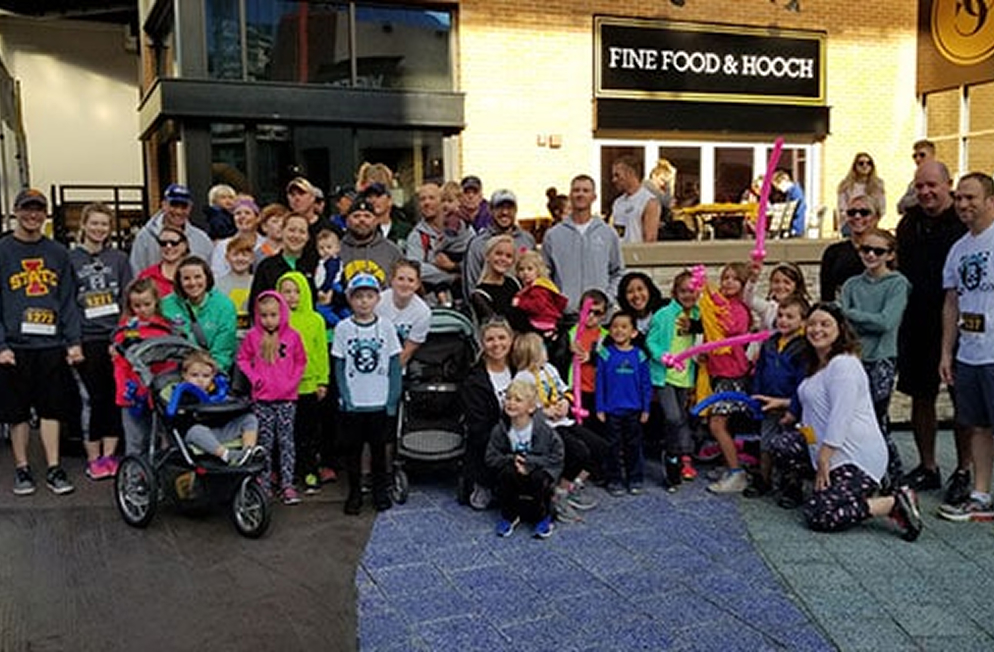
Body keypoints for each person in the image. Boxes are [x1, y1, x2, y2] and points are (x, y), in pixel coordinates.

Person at [757, 303, 922, 541]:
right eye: (812, 324)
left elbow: (840, 416)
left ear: (840, 329)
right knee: (781, 444)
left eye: (825, 324)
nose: (817, 330)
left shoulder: (844, 364)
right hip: (825, 451)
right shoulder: (816, 364)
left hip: (855, 458)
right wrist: (785, 406)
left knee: (820, 514)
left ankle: (892, 503)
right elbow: (813, 407)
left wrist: (823, 457)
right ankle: (831, 489)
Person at [896, 161, 971, 502]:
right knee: (920, 396)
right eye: (920, 186)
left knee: (962, 400)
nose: (925, 192)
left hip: (959, 322)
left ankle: (964, 471)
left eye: (932, 185)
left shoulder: (964, 222)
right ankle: (928, 467)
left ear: (948, 184)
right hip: (917, 321)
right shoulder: (909, 224)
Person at [0, 188, 82, 496]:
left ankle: (54, 467)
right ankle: (22, 468)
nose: (32, 215)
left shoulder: (58, 252)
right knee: (17, 412)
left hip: (50, 344)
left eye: (38, 209)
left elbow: (68, 299)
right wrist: (1, 345)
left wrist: (73, 340)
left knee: (52, 409)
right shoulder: (3, 250)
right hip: (15, 346)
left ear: (45, 214)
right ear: (16, 211)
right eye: (27, 209)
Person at [937, 173, 994, 522]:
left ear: (990, 201)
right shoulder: (959, 249)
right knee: (979, 426)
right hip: (970, 353)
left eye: (971, 197)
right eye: (959, 198)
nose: (962, 204)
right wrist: (947, 352)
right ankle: (981, 494)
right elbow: (951, 303)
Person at [840, 227, 910, 489]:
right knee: (851, 419)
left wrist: (851, 313)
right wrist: (852, 317)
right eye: (865, 249)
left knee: (876, 421)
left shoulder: (897, 284)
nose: (870, 255)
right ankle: (860, 473)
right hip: (852, 358)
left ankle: (894, 479)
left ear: (890, 255)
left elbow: (886, 322)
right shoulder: (851, 284)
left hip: (881, 359)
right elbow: (842, 326)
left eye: (878, 251)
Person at [69, 202, 133, 480]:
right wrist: (73, 342)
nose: (99, 228)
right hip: (86, 337)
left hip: (113, 338)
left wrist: (119, 337)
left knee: (113, 396)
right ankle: (93, 458)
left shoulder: (119, 259)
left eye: (104, 224)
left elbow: (127, 301)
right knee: (91, 399)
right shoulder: (70, 259)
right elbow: (67, 303)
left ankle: (110, 455)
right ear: (84, 225)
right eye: (94, 223)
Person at [511, 333, 603, 521]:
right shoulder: (523, 378)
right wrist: (544, 412)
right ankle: (559, 494)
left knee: (599, 447)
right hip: (545, 427)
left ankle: (574, 485)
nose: (546, 351)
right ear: (532, 353)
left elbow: (565, 390)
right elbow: (520, 409)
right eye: (542, 348)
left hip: (563, 420)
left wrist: (565, 403)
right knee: (578, 452)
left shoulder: (549, 369)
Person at [332, 273, 403, 515]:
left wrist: (392, 400)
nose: (364, 301)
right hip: (354, 404)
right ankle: (354, 493)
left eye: (369, 296)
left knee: (379, 452)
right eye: (358, 296)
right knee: (353, 453)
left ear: (377, 299)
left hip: (379, 403)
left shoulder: (386, 327)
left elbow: (394, 365)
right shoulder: (343, 328)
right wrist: (346, 398)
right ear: (350, 299)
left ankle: (380, 492)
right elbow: (340, 366)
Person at [237, 291, 307, 502]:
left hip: (287, 399)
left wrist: (291, 383)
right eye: (264, 315)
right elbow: (242, 359)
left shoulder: (292, 336)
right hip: (262, 399)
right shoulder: (253, 336)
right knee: (264, 442)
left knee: (286, 442)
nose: (269, 320)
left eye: (273, 315)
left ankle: (287, 484)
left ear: (282, 313)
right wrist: (255, 378)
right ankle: (263, 482)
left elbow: (301, 361)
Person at [745, 295, 809, 500]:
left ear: (803, 321)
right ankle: (764, 479)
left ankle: (792, 486)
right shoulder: (769, 343)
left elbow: (803, 384)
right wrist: (755, 396)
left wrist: (794, 409)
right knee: (765, 443)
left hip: (791, 407)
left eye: (790, 317)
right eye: (780, 315)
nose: (783, 320)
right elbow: (760, 371)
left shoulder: (804, 348)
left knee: (791, 448)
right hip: (767, 404)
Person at [485, 379, 564, 539]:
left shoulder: (544, 430)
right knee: (506, 474)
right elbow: (491, 456)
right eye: (508, 398)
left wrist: (530, 464)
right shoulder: (501, 429)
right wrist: (512, 460)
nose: (511, 403)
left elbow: (557, 456)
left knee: (538, 478)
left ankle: (543, 516)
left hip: (539, 469)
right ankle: (509, 515)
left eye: (518, 400)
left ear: (531, 407)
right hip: (514, 467)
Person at [646, 271, 702, 490]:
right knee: (673, 417)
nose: (688, 295)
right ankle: (671, 455)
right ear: (675, 292)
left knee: (683, 417)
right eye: (683, 291)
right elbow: (651, 341)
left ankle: (683, 456)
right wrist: (663, 357)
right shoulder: (663, 315)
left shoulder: (698, 315)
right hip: (665, 376)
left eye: (692, 291)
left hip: (686, 376)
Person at [277, 271, 330, 499]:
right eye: (286, 291)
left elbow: (321, 352)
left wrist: (322, 380)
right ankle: (286, 474)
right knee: (285, 434)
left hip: (308, 386)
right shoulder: (275, 320)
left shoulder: (315, 319)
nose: (291, 296)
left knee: (308, 432)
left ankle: (309, 470)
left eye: (297, 291)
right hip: (282, 387)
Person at [703, 263, 753, 494]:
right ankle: (728, 465)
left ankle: (736, 472)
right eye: (725, 278)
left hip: (732, 374)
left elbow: (729, 326)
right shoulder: (720, 306)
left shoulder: (739, 309)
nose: (728, 282)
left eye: (735, 278)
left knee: (717, 424)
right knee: (724, 425)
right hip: (718, 372)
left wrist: (710, 297)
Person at [542, 175, 625, 313]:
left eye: (586, 191)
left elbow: (618, 272)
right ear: (570, 195)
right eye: (576, 190)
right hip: (566, 315)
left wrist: (607, 298)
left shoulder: (608, 233)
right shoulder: (553, 235)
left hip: (599, 315)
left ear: (594, 197)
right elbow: (545, 274)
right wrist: (556, 301)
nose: (580, 194)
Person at [112, 278, 173, 457]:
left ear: (156, 302)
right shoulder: (124, 330)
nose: (142, 310)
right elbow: (119, 362)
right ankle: (133, 472)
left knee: (164, 439)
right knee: (136, 440)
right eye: (137, 306)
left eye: (147, 304)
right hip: (132, 392)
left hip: (159, 392)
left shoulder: (164, 327)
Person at [596, 311, 652, 495]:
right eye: (614, 326)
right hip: (611, 410)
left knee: (633, 446)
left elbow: (646, 384)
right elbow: (600, 383)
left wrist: (646, 408)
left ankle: (635, 478)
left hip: (634, 410)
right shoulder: (605, 354)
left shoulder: (640, 355)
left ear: (633, 332)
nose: (618, 330)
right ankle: (614, 480)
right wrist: (600, 407)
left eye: (624, 326)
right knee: (612, 447)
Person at [462, 318, 516, 510]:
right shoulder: (473, 379)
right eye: (490, 339)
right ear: (482, 343)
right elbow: (478, 426)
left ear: (511, 339)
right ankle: (483, 483)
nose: (496, 344)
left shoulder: (520, 369)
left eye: (502, 338)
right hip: (490, 437)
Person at [173, 350, 259, 465]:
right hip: (199, 434)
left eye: (206, 376)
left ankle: (248, 452)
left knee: (249, 419)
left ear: (213, 376)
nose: (200, 380)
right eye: (194, 375)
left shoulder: (218, 391)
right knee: (196, 431)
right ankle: (227, 455)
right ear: (185, 375)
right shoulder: (183, 394)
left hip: (220, 429)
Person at [161, 256, 238, 373]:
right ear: (179, 281)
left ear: (207, 278)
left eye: (198, 277)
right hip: (175, 370)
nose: (193, 283)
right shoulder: (166, 305)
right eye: (186, 278)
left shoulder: (224, 306)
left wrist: (207, 374)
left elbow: (223, 351)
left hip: (210, 371)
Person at [462, 189, 536, 297]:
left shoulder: (527, 240)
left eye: (509, 208)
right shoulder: (478, 244)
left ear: (515, 210)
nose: (505, 212)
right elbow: (471, 285)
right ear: (491, 210)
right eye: (499, 207)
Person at [129, 183, 213, 273]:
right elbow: (136, 273)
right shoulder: (144, 238)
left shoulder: (202, 240)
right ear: (163, 205)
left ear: (190, 208)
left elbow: (210, 275)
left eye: (184, 206)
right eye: (174, 205)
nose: (178, 211)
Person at [248, 213, 318, 318]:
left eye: (302, 232)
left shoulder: (314, 264)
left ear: (308, 237)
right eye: (291, 230)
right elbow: (255, 305)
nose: (296, 236)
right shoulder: (267, 266)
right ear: (282, 232)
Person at [819, 194, 882, 302]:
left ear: (876, 217)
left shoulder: (886, 250)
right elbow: (826, 296)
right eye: (851, 213)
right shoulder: (833, 252)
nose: (857, 216)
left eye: (864, 212)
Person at [406, 181, 460, 304]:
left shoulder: (461, 229)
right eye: (422, 199)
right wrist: (453, 277)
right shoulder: (416, 236)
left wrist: (453, 266)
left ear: (442, 201)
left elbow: (472, 261)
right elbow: (416, 268)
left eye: (431, 198)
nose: (427, 203)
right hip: (431, 303)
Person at [339, 195, 404, 287]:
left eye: (367, 216)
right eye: (356, 216)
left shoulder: (393, 252)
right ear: (347, 221)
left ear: (376, 221)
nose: (362, 220)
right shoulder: (336, 250)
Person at [375, 260, 431, 368]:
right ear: (392, 280)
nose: (405, 284)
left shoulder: (423, 312)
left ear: (417, 284)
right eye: (400, 279)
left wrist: (391, 371)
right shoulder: (377, 302)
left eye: (411, 280)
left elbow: (407, 352)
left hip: (398, 364)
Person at [469, 235, 523, 327]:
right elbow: (495, 325)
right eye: (498, 254)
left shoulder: (514, 283)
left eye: (508, 256)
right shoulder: (480, 294)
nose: (503, 259)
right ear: (487, 256)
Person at [512, 250, 567, 336]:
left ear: (538, 271)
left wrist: (520, 302)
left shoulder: (538, 288)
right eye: (521, 269)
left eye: (530, 269)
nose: (525, 272)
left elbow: (537, 305)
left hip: (542, 321)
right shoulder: (533, 286)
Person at [610, 155, 661, 243]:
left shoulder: (648, 201)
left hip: (636, 250)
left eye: (617, 175)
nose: (614, 180)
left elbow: (650, 239)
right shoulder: (618, 202)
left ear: (630, 173)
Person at [746, 261, 809, 330]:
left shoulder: (803, 308)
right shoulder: (768, 307)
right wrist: (752, 280)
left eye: (787, 282)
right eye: (776, 281)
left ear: (796, 286)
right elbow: (748, 300)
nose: (781, 286)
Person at [214, 235, 256, 337]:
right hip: (225, 336)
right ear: (227, 258)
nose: (240, 259)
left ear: (252, 258)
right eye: (235, 254)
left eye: (245, 255)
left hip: (251, 338)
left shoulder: (257, 282)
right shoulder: (217, 284)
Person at [211, 196, 263, 277]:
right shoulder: (223, 245)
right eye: (238, 213)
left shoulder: (265, 244)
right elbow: (217, 273)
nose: (242, 216)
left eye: (247, 213)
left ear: (257, 218)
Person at [136, 225, 189, 298]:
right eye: (163, 243)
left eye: (174, 243)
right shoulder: (147, 276)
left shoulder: (195, 274)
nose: (168, 247)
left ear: (184, 246)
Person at [313, 227, 350, 329]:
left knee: (322, 308)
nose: (325, 251)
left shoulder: (332, 262)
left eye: (329, 247)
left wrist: (324, 290)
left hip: (332, 287)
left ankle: (340, 324)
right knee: (339, 309)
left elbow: (330, 276)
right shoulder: (323, 261)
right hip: (329, 286)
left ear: (337, 248)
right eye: (321, 248)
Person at [616, 271, 665, 342]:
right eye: (630, 291)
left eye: (640, 289)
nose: (636, 295)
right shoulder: (621, 322)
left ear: (649, 291)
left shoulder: (666, 312)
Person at [837, 152, 886, 221]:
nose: (865, 166)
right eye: (861, 163)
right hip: (849, 222)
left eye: (868, 163)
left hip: (870, 222)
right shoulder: (845, 185)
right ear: (855, 166)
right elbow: (842, 208)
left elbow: (881, 208)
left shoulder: (878, 185)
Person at [897, 139, 936, 215]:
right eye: (914, 156)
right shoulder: (913, 182)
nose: (917, 159)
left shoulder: (939, 177)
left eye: (922, 155)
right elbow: (900, 206)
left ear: (932, 156)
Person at [772, 169, 807, 237]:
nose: (780, 189)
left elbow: (800, 209)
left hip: (796, 228)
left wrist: (795, 229)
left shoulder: (795, 192)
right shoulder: (790, 193)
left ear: (784, 181)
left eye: (779, 186)